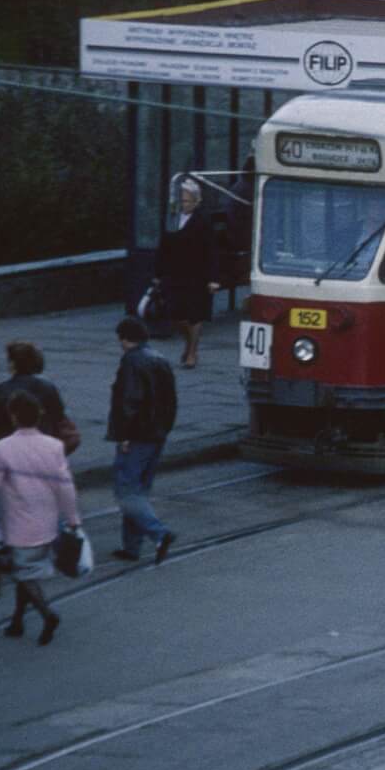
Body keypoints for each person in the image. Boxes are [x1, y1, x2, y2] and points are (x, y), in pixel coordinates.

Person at [0, 391, 79, 646]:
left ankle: (48, 614)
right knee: (26, 572)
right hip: (47, 522)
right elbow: (65, 486)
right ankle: (17, 621)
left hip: (18, 524)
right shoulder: (54, 446)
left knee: (23, 573)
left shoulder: (1, 448)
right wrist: (73, 520)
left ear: (13, 416)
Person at [107, 316, 178, 565]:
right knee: (139, 491)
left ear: (125, 338)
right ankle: (131, 547)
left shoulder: (132, 362)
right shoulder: (160, 358)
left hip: (136, 436)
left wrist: (124, 434)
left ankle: (158, 532)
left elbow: (129, 401)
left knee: (126, 491)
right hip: (156, 434)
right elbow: (171, 401)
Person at [154, 179, 221, 368]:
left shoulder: (203, 221)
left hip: (197, 275)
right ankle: (189, 344)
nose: (183, 204)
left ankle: (192, 352)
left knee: (194, 315)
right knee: (175, 314)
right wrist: (158, 273)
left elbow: (212, 250)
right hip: (174, 274)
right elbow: (163, 246)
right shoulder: (172, 218)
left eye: (187, 201)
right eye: (181, 200)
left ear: (196, 201)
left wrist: (214, 279)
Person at [0, 341, 67, 451]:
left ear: (13, 364)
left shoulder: (1, 389)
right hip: (43, 444)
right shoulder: (48, 387)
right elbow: (59, 417)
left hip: (8, 447)